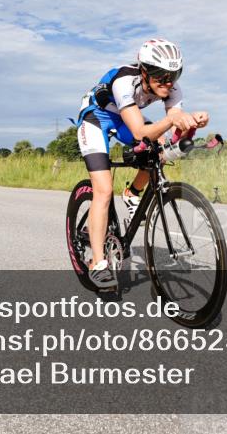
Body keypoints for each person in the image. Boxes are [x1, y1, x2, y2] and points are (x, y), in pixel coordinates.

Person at [75, 39, 209, 289]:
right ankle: (97, 262)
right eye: (161, 76)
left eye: (174, 75)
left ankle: (133, 192)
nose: (168, 82)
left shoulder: (172, 87)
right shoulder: (125, 81)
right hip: (96, 118)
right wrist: (173, 121)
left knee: (157, 151)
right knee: (103, 190)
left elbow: (172, 121)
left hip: (124, 118)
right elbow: (139, 131)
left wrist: (190, 122)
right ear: (145, 71)